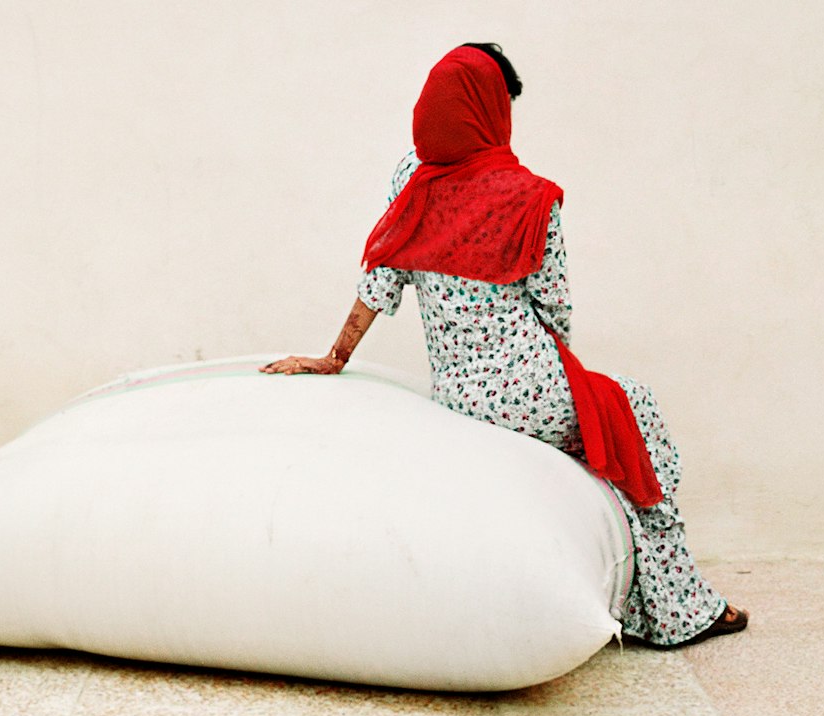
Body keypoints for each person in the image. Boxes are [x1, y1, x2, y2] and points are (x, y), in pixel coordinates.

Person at [263, 42, 746, 648]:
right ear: (492, 110)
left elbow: (380, 277)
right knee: (634, 420)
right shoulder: (530, 196)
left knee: (611, 426)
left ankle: (647, 598)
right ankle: (683, 612)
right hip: (530, 387)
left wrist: (335, 357)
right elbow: (555, 311)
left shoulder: (409, 179)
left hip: (456, 391)